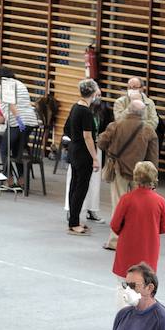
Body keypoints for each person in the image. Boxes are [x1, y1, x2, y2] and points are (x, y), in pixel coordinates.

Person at [96, 100, 160, 250]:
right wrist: (153, 179)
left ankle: (115, 241)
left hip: (119, 170)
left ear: (128, 110)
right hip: (140, 174)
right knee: (139, 208)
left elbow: (101, 143)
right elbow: (153, 157)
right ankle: (135, 241)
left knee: (118, 205)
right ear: (143, 113)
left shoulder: (116, 125)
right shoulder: (149, 130)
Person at [110, 162, 165, 279]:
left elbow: (115, 225)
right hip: (149, 249)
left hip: (127, 247)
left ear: (135, 178)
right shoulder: (160, 201)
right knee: (145, 286)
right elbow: (164, 228)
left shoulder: (126, 199)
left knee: (124, 287)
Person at [65, 79, 102, 235]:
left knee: (74, 185)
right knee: (81, 188)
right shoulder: (86, 112)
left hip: (74, 150)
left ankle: (74, 219)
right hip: (83, 153)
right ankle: (74, 222)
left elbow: (68, 128)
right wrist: (95, 157)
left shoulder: (76, 107)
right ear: (93, 93)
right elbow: (88, 137)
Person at [0, 66, 39, 177]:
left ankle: (8, 178)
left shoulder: (3, 86)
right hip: (31, 120)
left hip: (18, 121)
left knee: (4, 149)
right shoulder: (20, 84)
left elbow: (11, 104)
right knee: (17, 151)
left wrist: (19, 122)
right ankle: (21, 179)